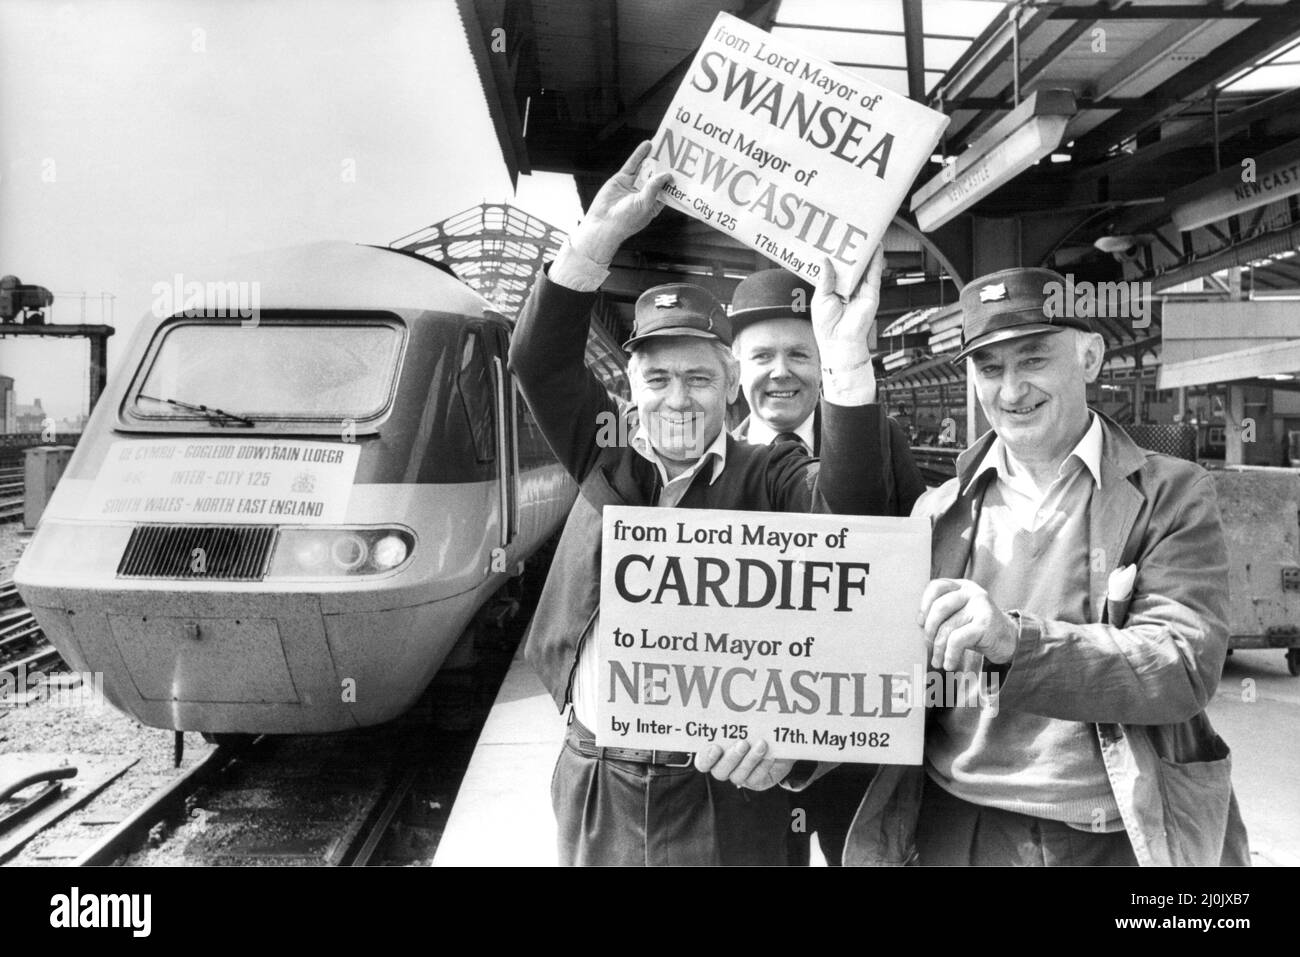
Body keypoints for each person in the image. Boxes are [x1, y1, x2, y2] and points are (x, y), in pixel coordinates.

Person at [704, 265, 1250, 866]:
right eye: (990, 368)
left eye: (1034, 360)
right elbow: (883, 675)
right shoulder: (938, 512)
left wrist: (1016, 641)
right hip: (952, 831)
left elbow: (1182, 664)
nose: (1012, 391)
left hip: (1109, 834)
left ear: (1089, 357)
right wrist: (792, 744)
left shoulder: (1171, 494)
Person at [508, 141, 902, 866]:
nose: (676, 397)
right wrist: (597, 238)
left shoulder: (774, 467)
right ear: (630, 390)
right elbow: (539, 361)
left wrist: (846, 360)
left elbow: (849, 525)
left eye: (697, 376)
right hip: (602, 773)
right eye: (656, 379)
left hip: (728, 785)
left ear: (729, 387)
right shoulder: (606, 460)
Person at [726, 266, 926, 865]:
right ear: (736, 369)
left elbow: (916, 561)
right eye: (762, 356)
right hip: (753, 756)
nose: (780, 372)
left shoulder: (880, 439)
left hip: (858, 745)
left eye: (800, 354)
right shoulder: (713, 458)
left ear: (825, 363)